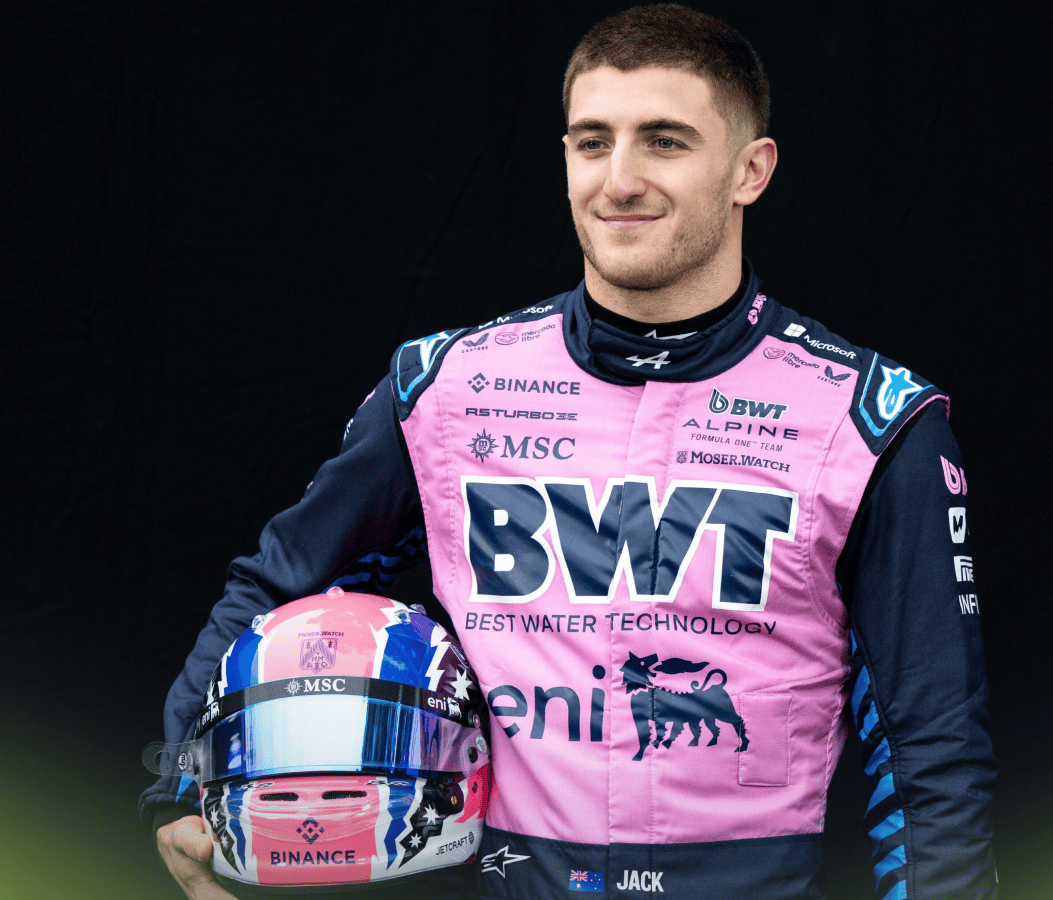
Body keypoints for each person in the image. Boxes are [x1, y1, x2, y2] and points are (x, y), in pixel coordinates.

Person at [142, 5, 997, 899]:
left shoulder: (871, 420)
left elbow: (932, 745)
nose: (619, 179)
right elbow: (280, 585)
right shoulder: (446, 387)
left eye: (664, 141)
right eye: (594, 142)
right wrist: (174, 783)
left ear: (751, 170)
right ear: (565, 159)